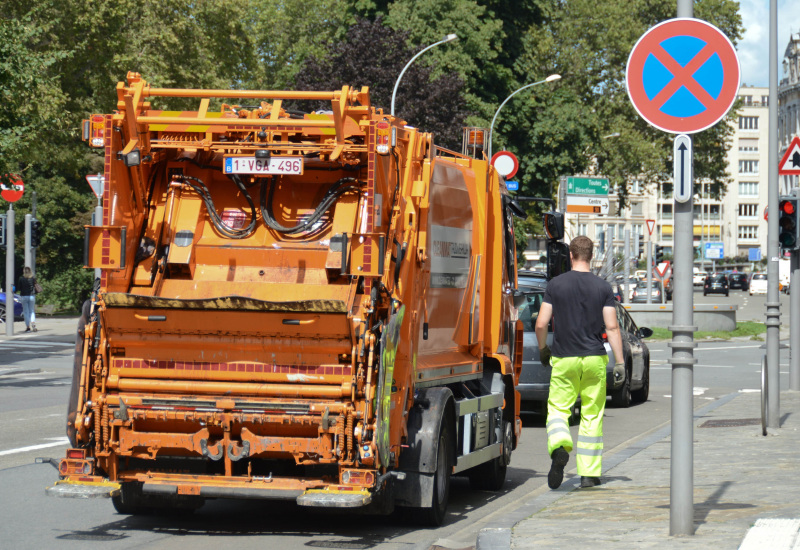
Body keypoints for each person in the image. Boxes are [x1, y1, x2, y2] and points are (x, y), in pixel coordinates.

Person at [534, 236, 624, 489]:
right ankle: (588, 474)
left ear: (570, 256)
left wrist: (543, 349)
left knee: (558, 411)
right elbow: (612, 326)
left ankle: (560, 446)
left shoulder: (556, 285)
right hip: (595, 358)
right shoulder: (603, 287)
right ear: (591, 256)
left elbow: (541, 323)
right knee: (592, 415)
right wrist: (620, 363)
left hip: (564, 358)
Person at [17, 266, 39, 332]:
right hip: (31, 296)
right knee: (31, 311)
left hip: (24, 296)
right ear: (30, 271)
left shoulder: (21, 279)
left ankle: (28, 327)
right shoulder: (33, 278)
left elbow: (19, 288)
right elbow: (35, 286)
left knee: (26, 312)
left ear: (24, 272)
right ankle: (33, 324)